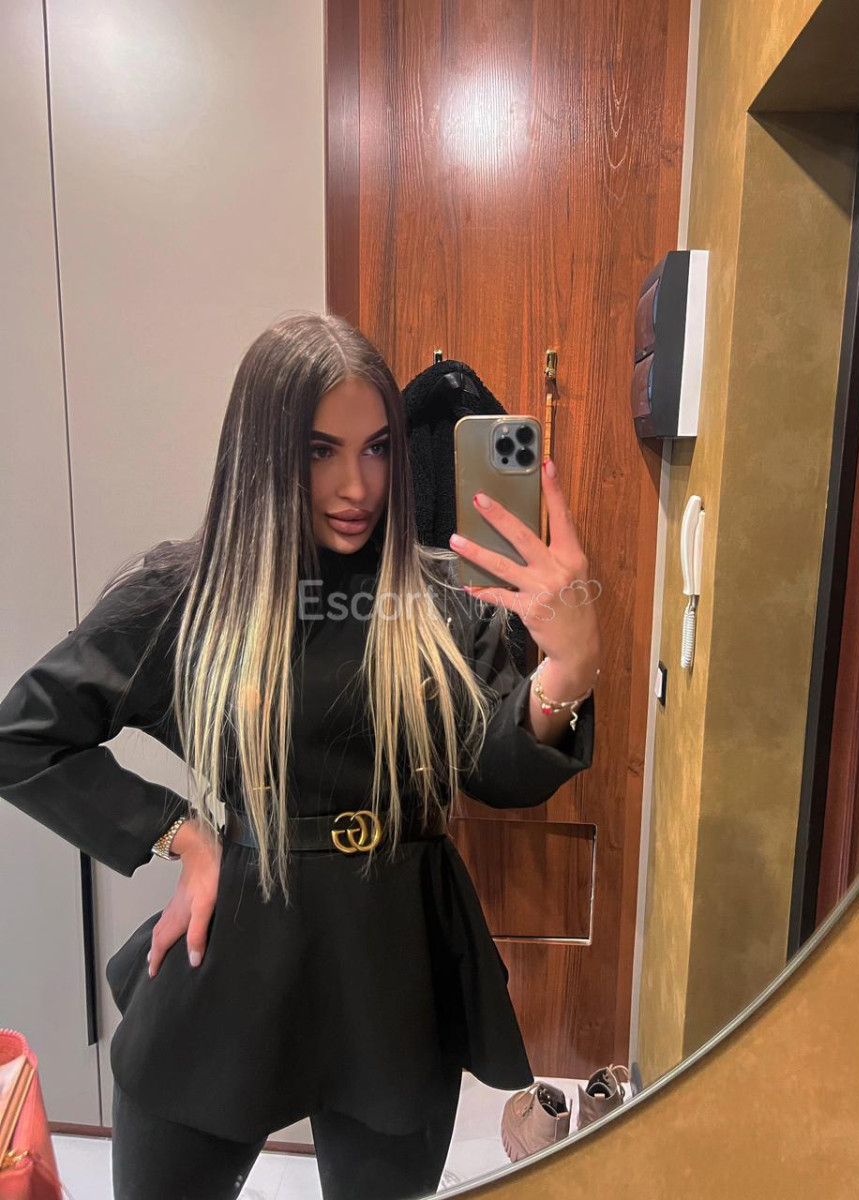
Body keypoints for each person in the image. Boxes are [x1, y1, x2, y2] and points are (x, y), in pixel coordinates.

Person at [0, 313, 600, 1200]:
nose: (357, 486)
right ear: (262, 455)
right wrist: (182, 835)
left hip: (395, 964)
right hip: (238, 945)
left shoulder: (435, 601)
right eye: (321, 451)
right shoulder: (189, 598)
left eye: (378, 449)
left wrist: (569, 669)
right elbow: (24, 737)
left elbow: (501, 773)